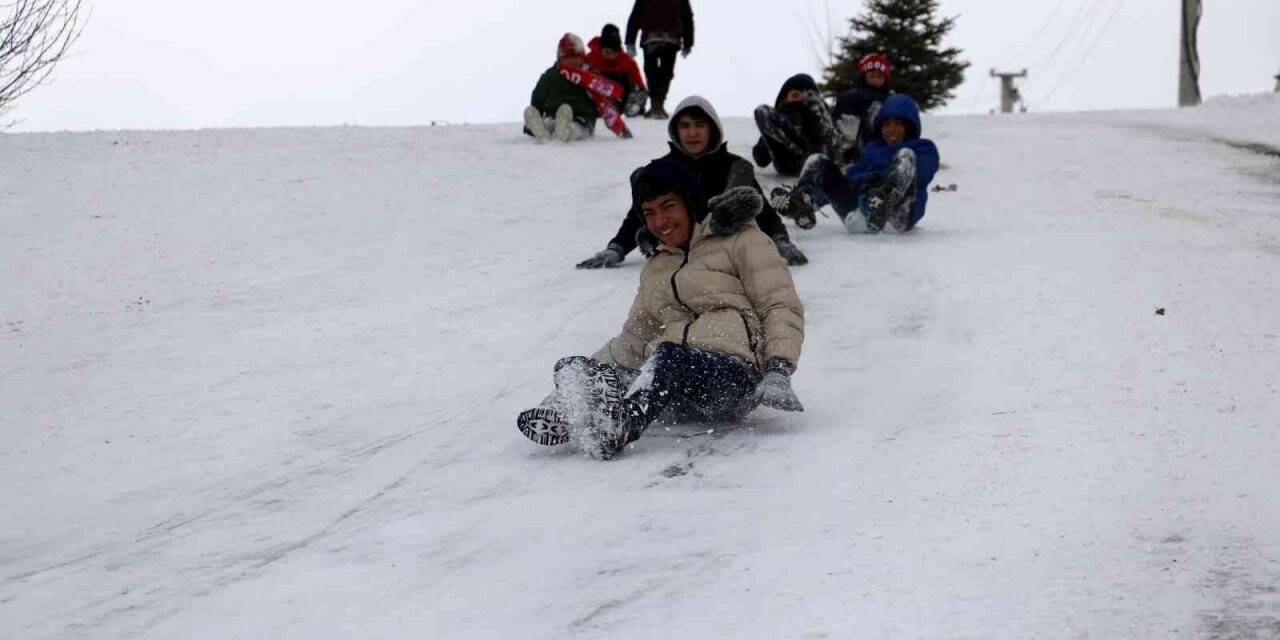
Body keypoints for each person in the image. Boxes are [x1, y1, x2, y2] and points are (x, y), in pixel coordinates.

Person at [517, 158, 805, 460]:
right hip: (672, 385)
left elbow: (779, 304)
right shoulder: (656, 267)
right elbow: (634, 338)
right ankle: (563, 412)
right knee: (584, 368)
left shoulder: (740, 241)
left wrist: (778, 369)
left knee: (669, 357)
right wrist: (592, 372)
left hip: (733, 377)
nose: (660, 222)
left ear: (690, 202)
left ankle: (620, 425)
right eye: (649, 213)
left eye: (669, 206)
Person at [576, 95, 808, 268]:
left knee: (742, 174)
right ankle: (662, 240)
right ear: (676, 130)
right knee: (645, 177)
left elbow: (763, 213)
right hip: (679, 237)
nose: (692, 133)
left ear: (711, 129)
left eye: (699, 125)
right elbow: (639, 214)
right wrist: (615, 249)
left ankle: (708, 242)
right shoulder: (664, 167)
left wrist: (781, 241)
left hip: (721, 238)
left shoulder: (734, 166)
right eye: (685, 126)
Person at [776, 94, 939, 234]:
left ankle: (884, 202)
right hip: (859, 214)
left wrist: (882, 179)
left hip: (897, 217)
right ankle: (802, 204)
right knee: (818, 160)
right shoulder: (873, 149)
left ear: (909, 126)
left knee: (906, 156)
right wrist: (867, 179)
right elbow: (850, 179)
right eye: (886, 124)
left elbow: (923, 173)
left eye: (898, 124)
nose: (891, 129)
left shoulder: (923, 147)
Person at [752, 73, 851, 176]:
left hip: (823, 161)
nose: (801, 100)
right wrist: (768, 145)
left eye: (809, 96)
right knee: (762, 111)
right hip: (791, 164)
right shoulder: (779, 125)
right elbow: (761, 159)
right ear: (784, 98)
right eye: (795, 95)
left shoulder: (823, 117)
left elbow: (839, 147)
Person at [625, 0, 694, 119]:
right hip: (668, 38)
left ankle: (656, 105)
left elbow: (635, 16)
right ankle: (657, 105)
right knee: (664, 73)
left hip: (652, 37)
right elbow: (687, 18)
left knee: (653, 72)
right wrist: (688, 42)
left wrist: (630, 41)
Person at [524, 34, 598, 143]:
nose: (572, 61)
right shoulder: (552, 75)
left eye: (575, 57)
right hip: (553, 115)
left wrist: (595, 113)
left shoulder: (589, 76)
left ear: (582, 58)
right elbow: (539, 94)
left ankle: (566, 132)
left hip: (582, 118)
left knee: (575, 128)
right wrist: (537, 111)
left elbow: (600, 97)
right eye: (567, 58)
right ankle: (540, 130)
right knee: (550, 124)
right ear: (560, 58)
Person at [831, 53, 895, 161]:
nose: (875, 80)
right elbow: (838, 116)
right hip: (854, 148)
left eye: (879, 76)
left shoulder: (890, 100)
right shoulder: (851, 97)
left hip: (883, 146)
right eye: (872, 76)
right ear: (864, 76)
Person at [587, 24, 649, 117]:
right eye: (608, 52)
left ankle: (633, 108)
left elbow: (640, 87)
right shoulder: (589, 59)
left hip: (621, 99)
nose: (612, 56)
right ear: (601, 48)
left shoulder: (627, 61)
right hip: (597, 99)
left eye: (615, 52)